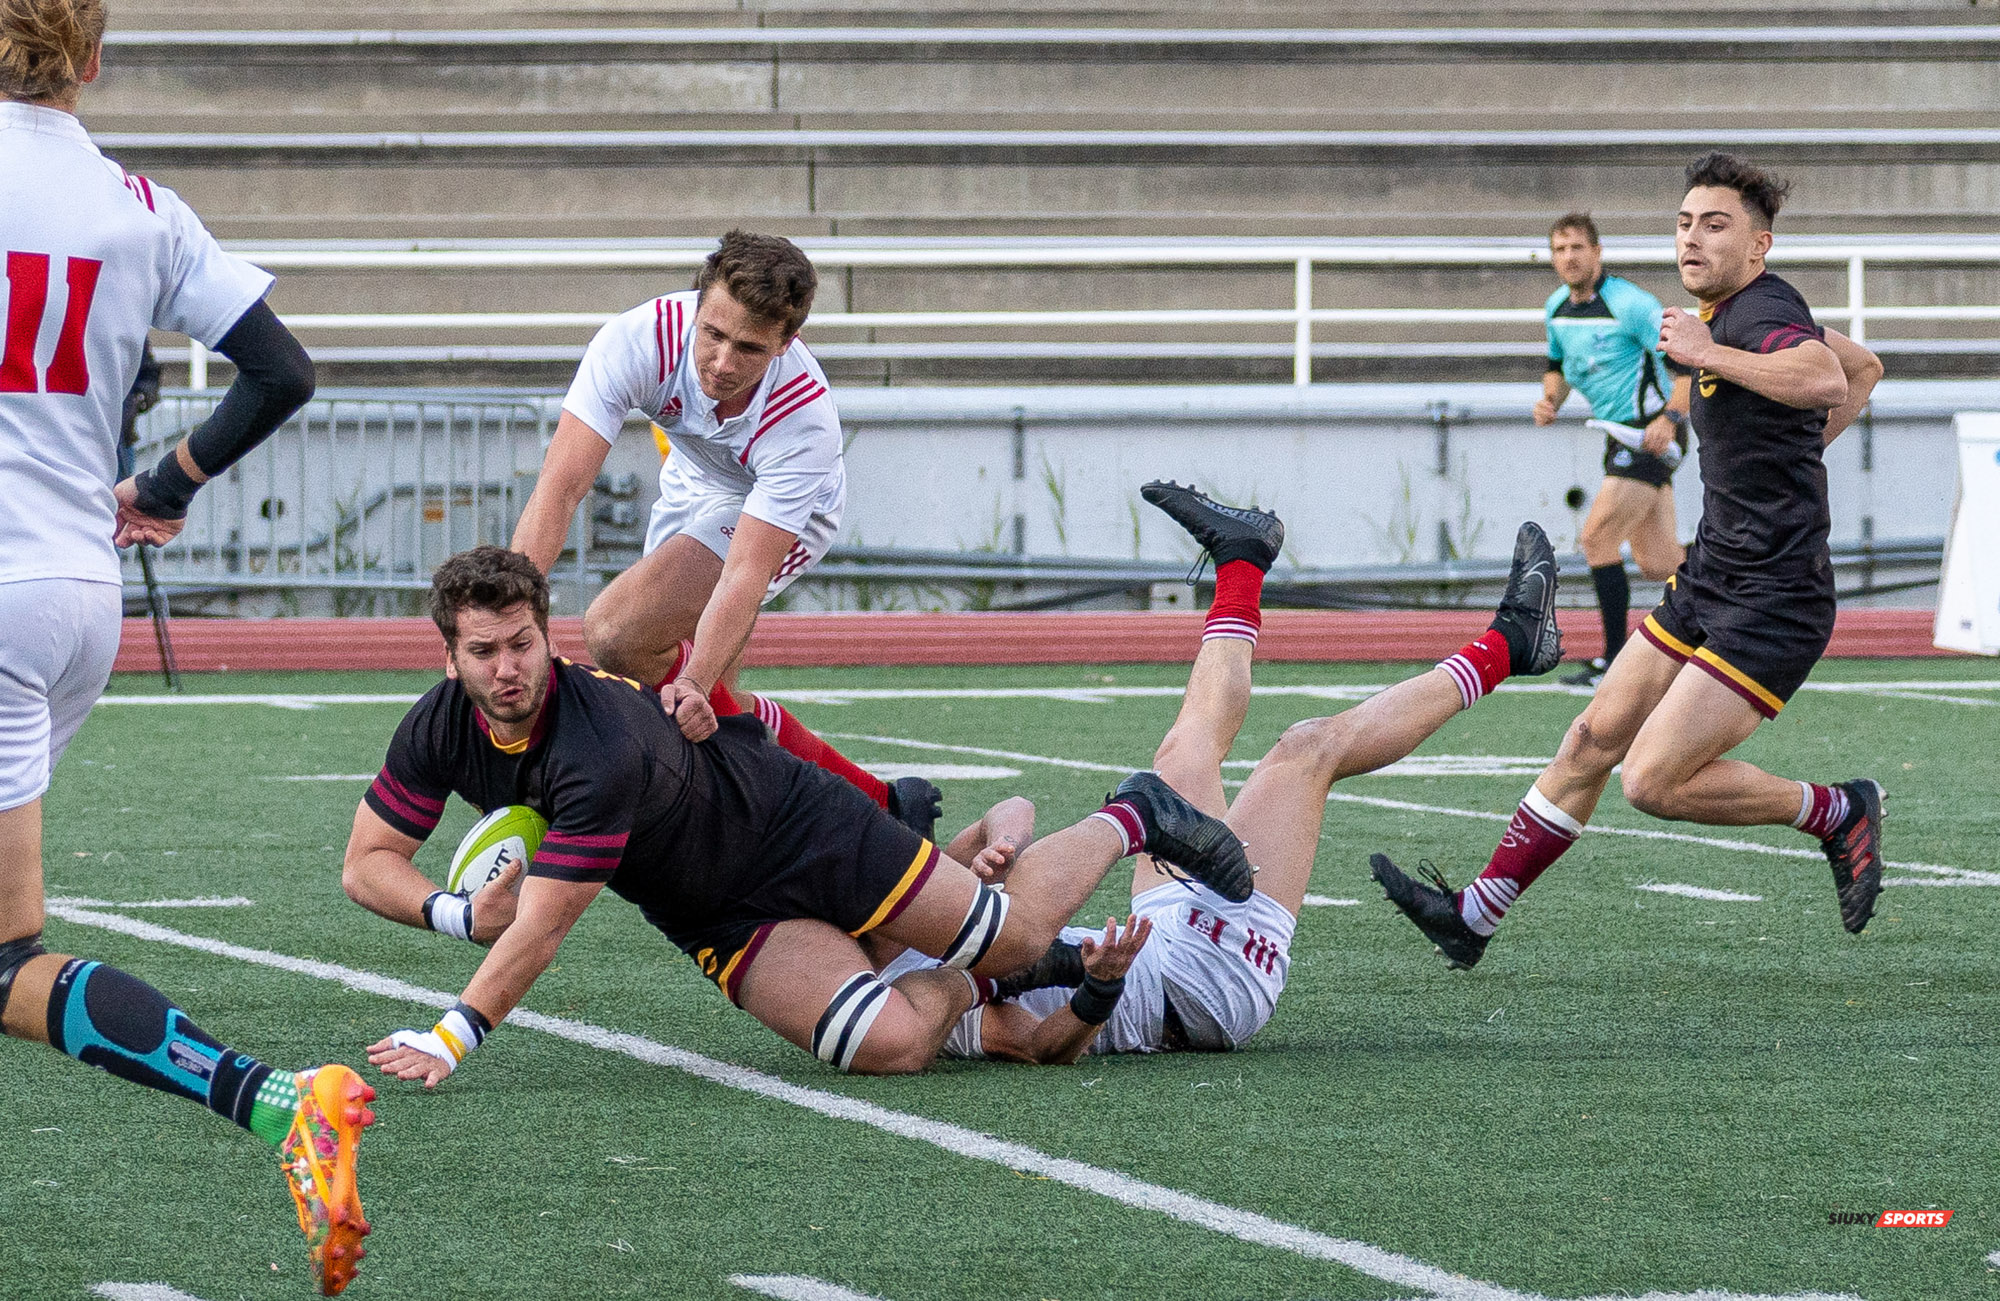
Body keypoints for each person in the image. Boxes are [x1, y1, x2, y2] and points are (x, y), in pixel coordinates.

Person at [342, 546, 1253, 1083]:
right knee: (885, 1047)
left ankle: (1137, 812)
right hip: (715, 909)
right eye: (484, 651)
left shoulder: (596, 747)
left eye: (523, 643)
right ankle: (973, 982)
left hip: (799, 826)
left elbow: (541, 931)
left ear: (548, 634)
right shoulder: (437, 727)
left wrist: (451, 1034)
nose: (508, 668)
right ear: (449, 655)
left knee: (1013, 936)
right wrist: (456, 913)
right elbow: (367, 859)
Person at [0, 5, 371, 1293]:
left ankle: (278, 1103)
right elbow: (280, 370)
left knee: (4, 954)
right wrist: (167, 477)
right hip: (74, 596)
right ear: (93, 59)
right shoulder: (141, 205)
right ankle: (275, 1106)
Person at [1374, 154, 1888, 971]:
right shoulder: (1727, 309)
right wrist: (1795, 456)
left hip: (1775, 600)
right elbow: (1866, 368)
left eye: (1714, 224)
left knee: (1652, 780)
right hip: (1714, 574)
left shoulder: (1760, 309)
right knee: (1591, 735)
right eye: (1684, 222)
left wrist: (1713, 357)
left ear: (1759, 246)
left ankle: (1836, 809)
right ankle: (1476, 913)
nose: (1692, 237)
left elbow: (1826, 376)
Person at [874, 484, 1566, 1061]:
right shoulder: (915, 1000)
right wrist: (1100, 990)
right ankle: (1510, 644)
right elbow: (1038, 1045)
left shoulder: (898, 921)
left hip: (1163, 927)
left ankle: (1241, 559)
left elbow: (999, 824)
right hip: (1202, 984)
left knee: (1186, 751)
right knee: (1306, 749)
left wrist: (997, 835)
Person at [507, 231, 939, 839]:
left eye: (750, 348)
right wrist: (502, 617)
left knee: (619, 636)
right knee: (708, 723)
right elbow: (560, 487)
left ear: (788, 343)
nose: (723, 363)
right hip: (689, 483)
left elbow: (744, 572)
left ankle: (834, 813)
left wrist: (694, 682)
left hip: (786, 513)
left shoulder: (804, 417)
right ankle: (884, 805)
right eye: (713, 334)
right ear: (696, 303)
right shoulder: (638, 340)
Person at [1537, 212, 1691, 688]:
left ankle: (1614, 662)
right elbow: (1558, 364)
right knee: (1660, 562)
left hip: (1652, 433)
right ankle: (1740, 604)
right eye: (1560, 249)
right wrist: (1550, 399)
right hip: (1617, 435)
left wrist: (1671, 419)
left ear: (1597, 253)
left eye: (1578, 248)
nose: (1569, 258)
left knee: (1597, 538)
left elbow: (1686, 367)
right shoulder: (1556, 307)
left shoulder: (1630, 304)